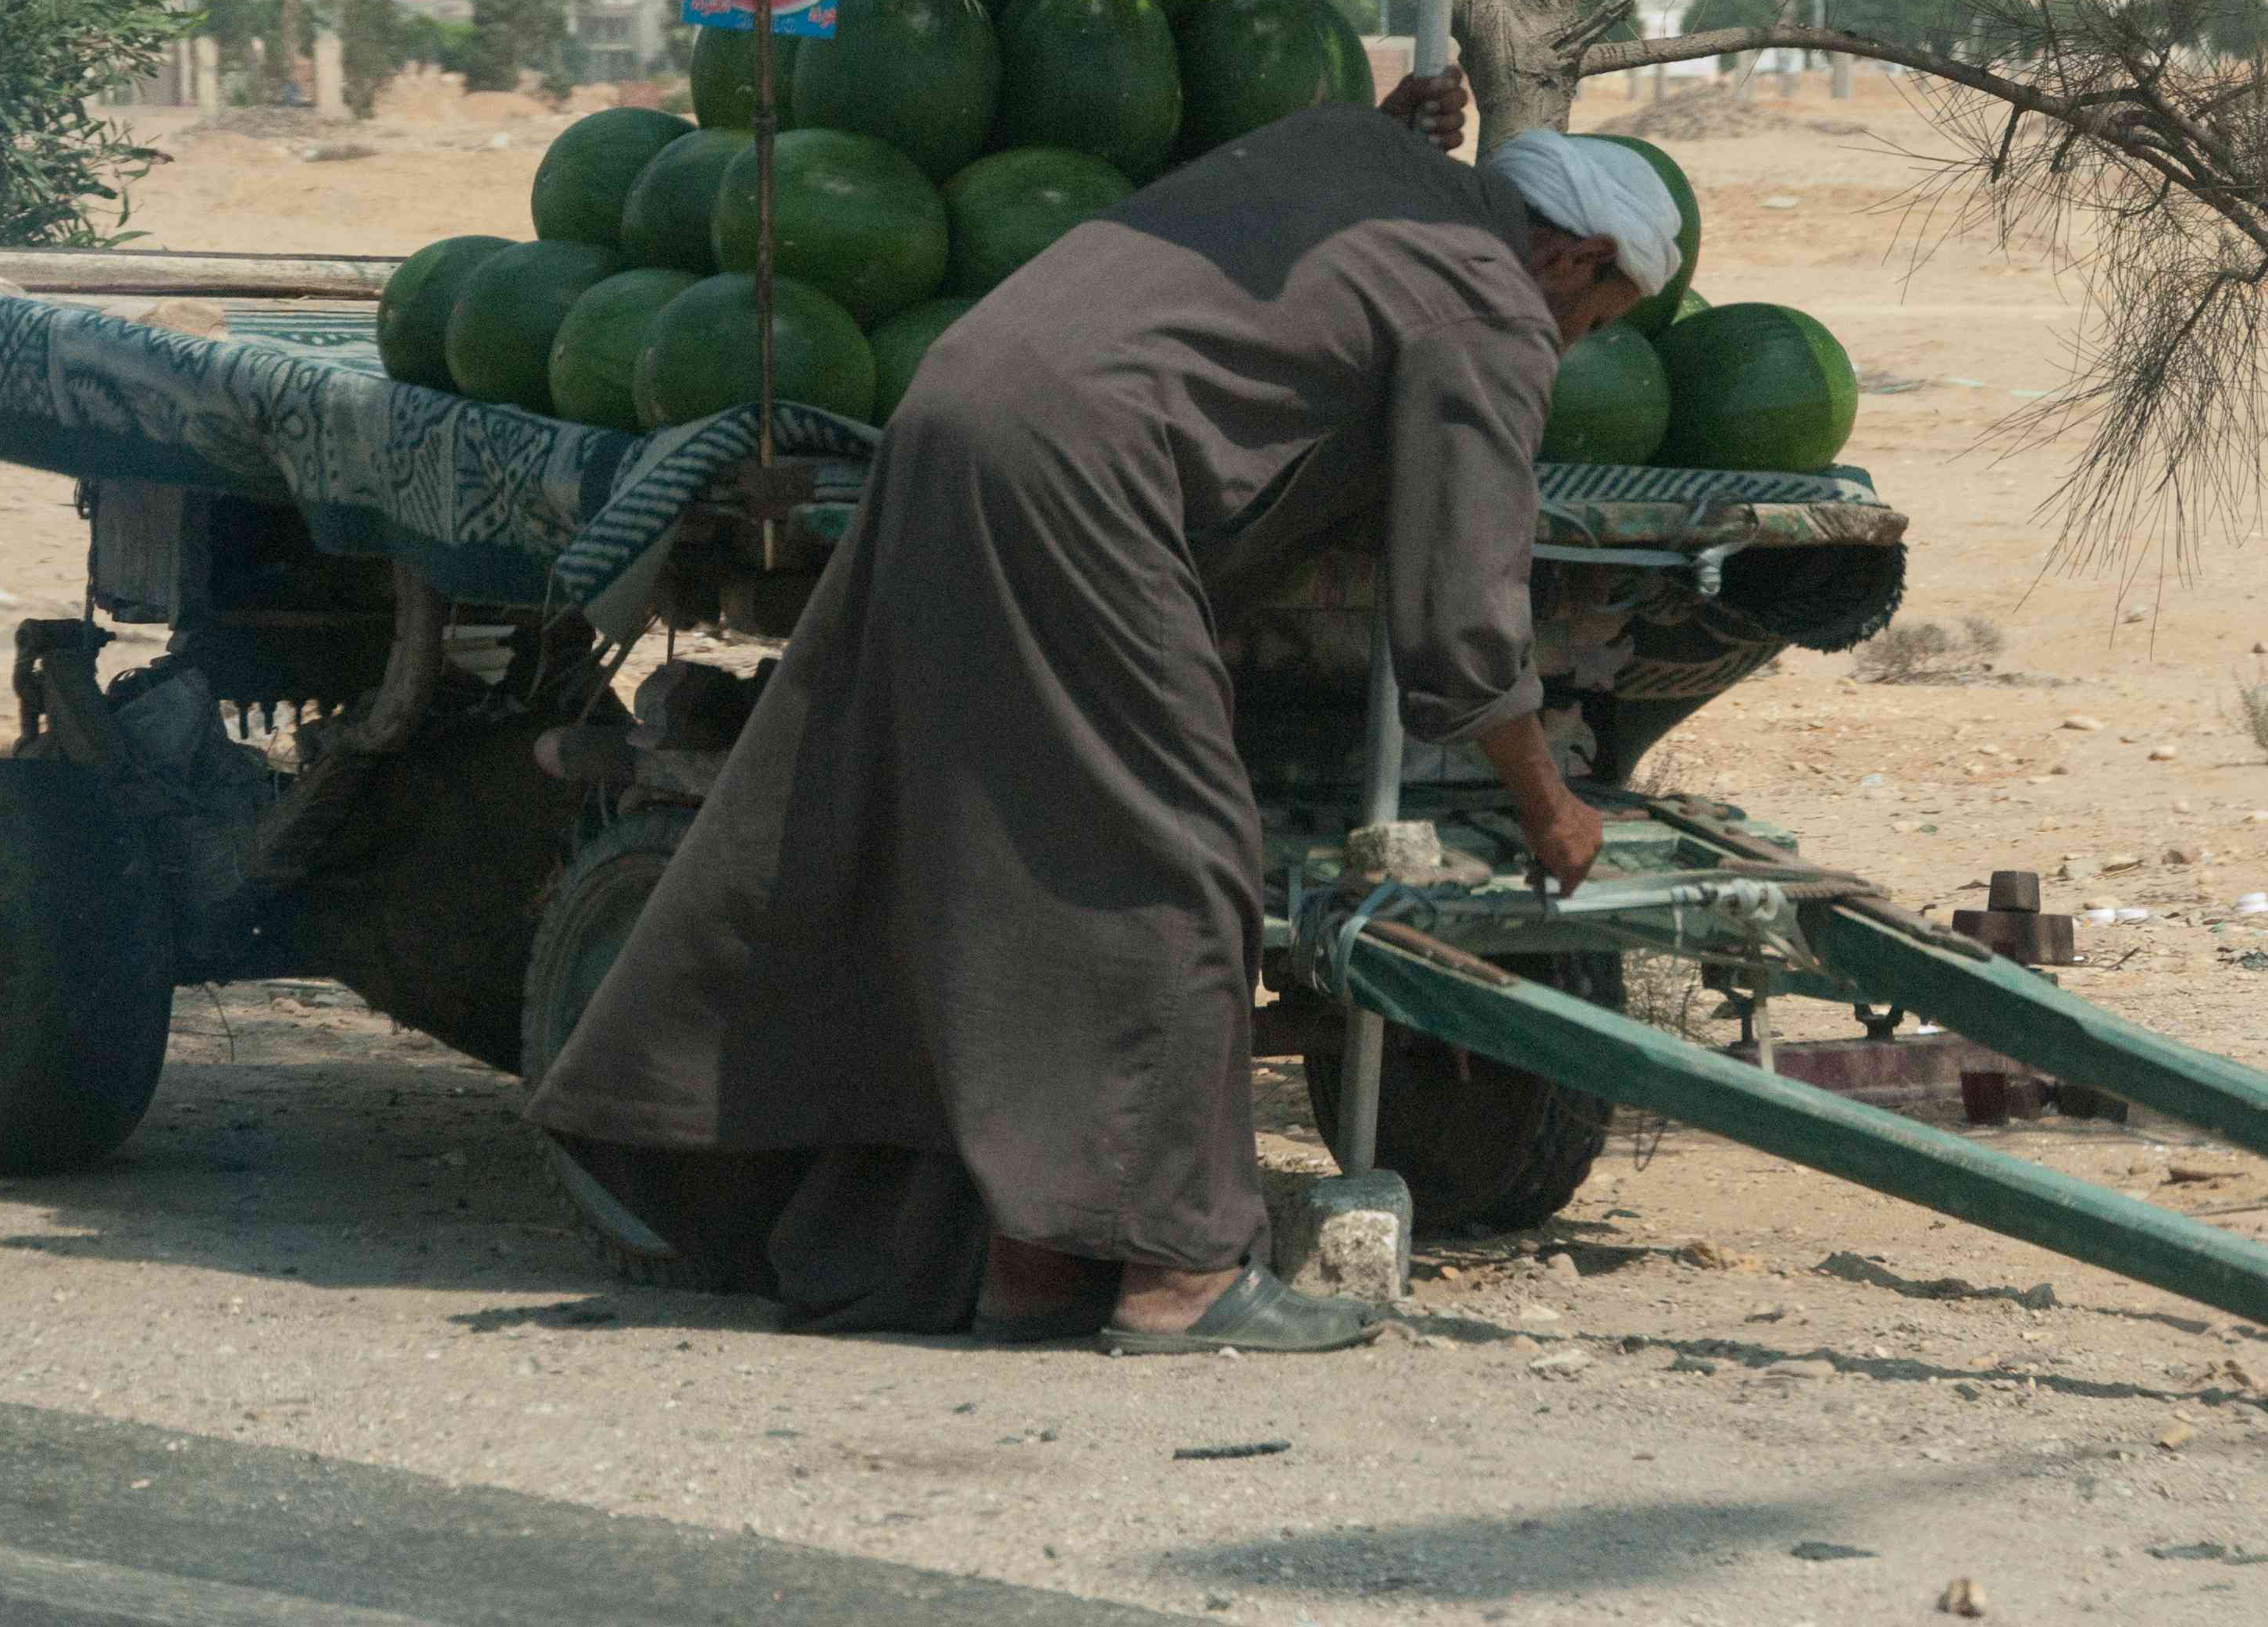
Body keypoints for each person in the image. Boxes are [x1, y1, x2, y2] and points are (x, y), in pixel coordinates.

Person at [525, 70, 1685, 1352]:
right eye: (1591, 319)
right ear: (1569, 258)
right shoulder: (1496, 303)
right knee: (1177, 859)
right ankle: (1179, 1276)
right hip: (1081, 470)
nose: (1571, 345)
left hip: (953, 411)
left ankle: (1031, 1267)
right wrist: (1550, 807)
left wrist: (1394, 117)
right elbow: (1465, 621)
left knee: (993, 851)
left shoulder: (1358, 146)